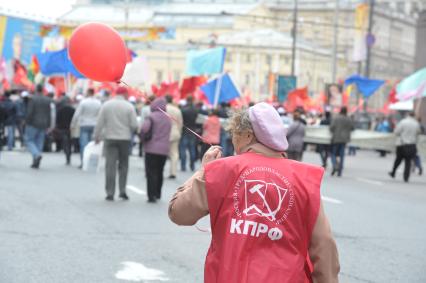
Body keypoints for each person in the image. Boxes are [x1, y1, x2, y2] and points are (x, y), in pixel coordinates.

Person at [168, 102, 339, 283]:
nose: (232, 140)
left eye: (235, 134)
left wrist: (204, 171)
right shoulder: (303, 178)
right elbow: (324, 245)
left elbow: (179, 213)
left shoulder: (223, 169)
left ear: (248, 136)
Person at [94, 87, 138, 201]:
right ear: (124, 94)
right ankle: (122, 191)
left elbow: (100, 122)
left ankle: (110, 192)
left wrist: (96, 136)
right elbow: (134, 125)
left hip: (110, 138)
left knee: (110, 166)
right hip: (124, 139)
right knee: (123, 166)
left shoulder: (106, 105)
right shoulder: (129, 106)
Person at [141, 97, 172, 203]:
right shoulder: (168, 118)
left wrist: (143, 138)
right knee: (160, 171)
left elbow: (144, 129)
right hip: (164, 149)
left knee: (151, 172)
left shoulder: (151, 117)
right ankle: (158, 193)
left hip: (151, 148)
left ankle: (151, 195)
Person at [71, 88, 101, 168]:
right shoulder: (98, 103)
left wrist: (72, 124)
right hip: (94, 125)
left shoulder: (83, 102)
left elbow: (77, 114)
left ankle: (83, 162)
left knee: (83, 145)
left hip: (84, 124)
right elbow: (100, 115)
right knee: (93, 145)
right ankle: (92, 162)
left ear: (88, 93)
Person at [25, 84, 52, 169]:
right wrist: (49, 124)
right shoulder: (48, 99)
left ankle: (36, 155)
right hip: (43, 123)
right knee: (39, 142)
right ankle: (36, 161)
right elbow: (49, 113)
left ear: (36, 89)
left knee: (29, 140)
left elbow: (30, 112)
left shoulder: (32, 99)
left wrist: (27, 121)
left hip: (33, 123)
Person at [388, 112, 421, 182]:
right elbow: (418, 133)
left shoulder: (403, 122)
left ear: (408, 115)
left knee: (398, 160)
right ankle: (406, 177)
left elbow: (396, 132)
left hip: (402, 144)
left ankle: (393, 172)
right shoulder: (416, 123)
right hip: (412, 145)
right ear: (414, 115)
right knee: (408, 162)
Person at [329, 106, 354, 176]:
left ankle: (335, 165)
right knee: (342, 155)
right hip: (344, 140)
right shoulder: (348, 119)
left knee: (333, 153)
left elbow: (331, 128)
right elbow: (352, 128)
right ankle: (340, 170)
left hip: (336, 138)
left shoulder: (336, 118)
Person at [165, 95, 183, 179]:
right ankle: (173, 172)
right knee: (174, 153)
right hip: (175, 132)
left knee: (162, 153)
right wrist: (179, 132)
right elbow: (180, 123)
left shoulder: (163, 108)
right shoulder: (177, 110)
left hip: (164, 133)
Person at [179, 96, 198, 171]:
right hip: (193, 131)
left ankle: (183, 166)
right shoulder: (196, 110)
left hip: (185, 130)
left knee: (183, 149)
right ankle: (192, 165)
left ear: (187, 100)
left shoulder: (183, 110)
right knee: (192, 149)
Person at [56, 96, 75, 165]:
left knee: (65, 143)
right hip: (70, 128)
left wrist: (57, 126)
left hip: (62, 128)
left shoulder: (60, 109)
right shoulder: (72, 109)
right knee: (69, 143)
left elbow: (57, 119)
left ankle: (67, 156)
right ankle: (69, 155)